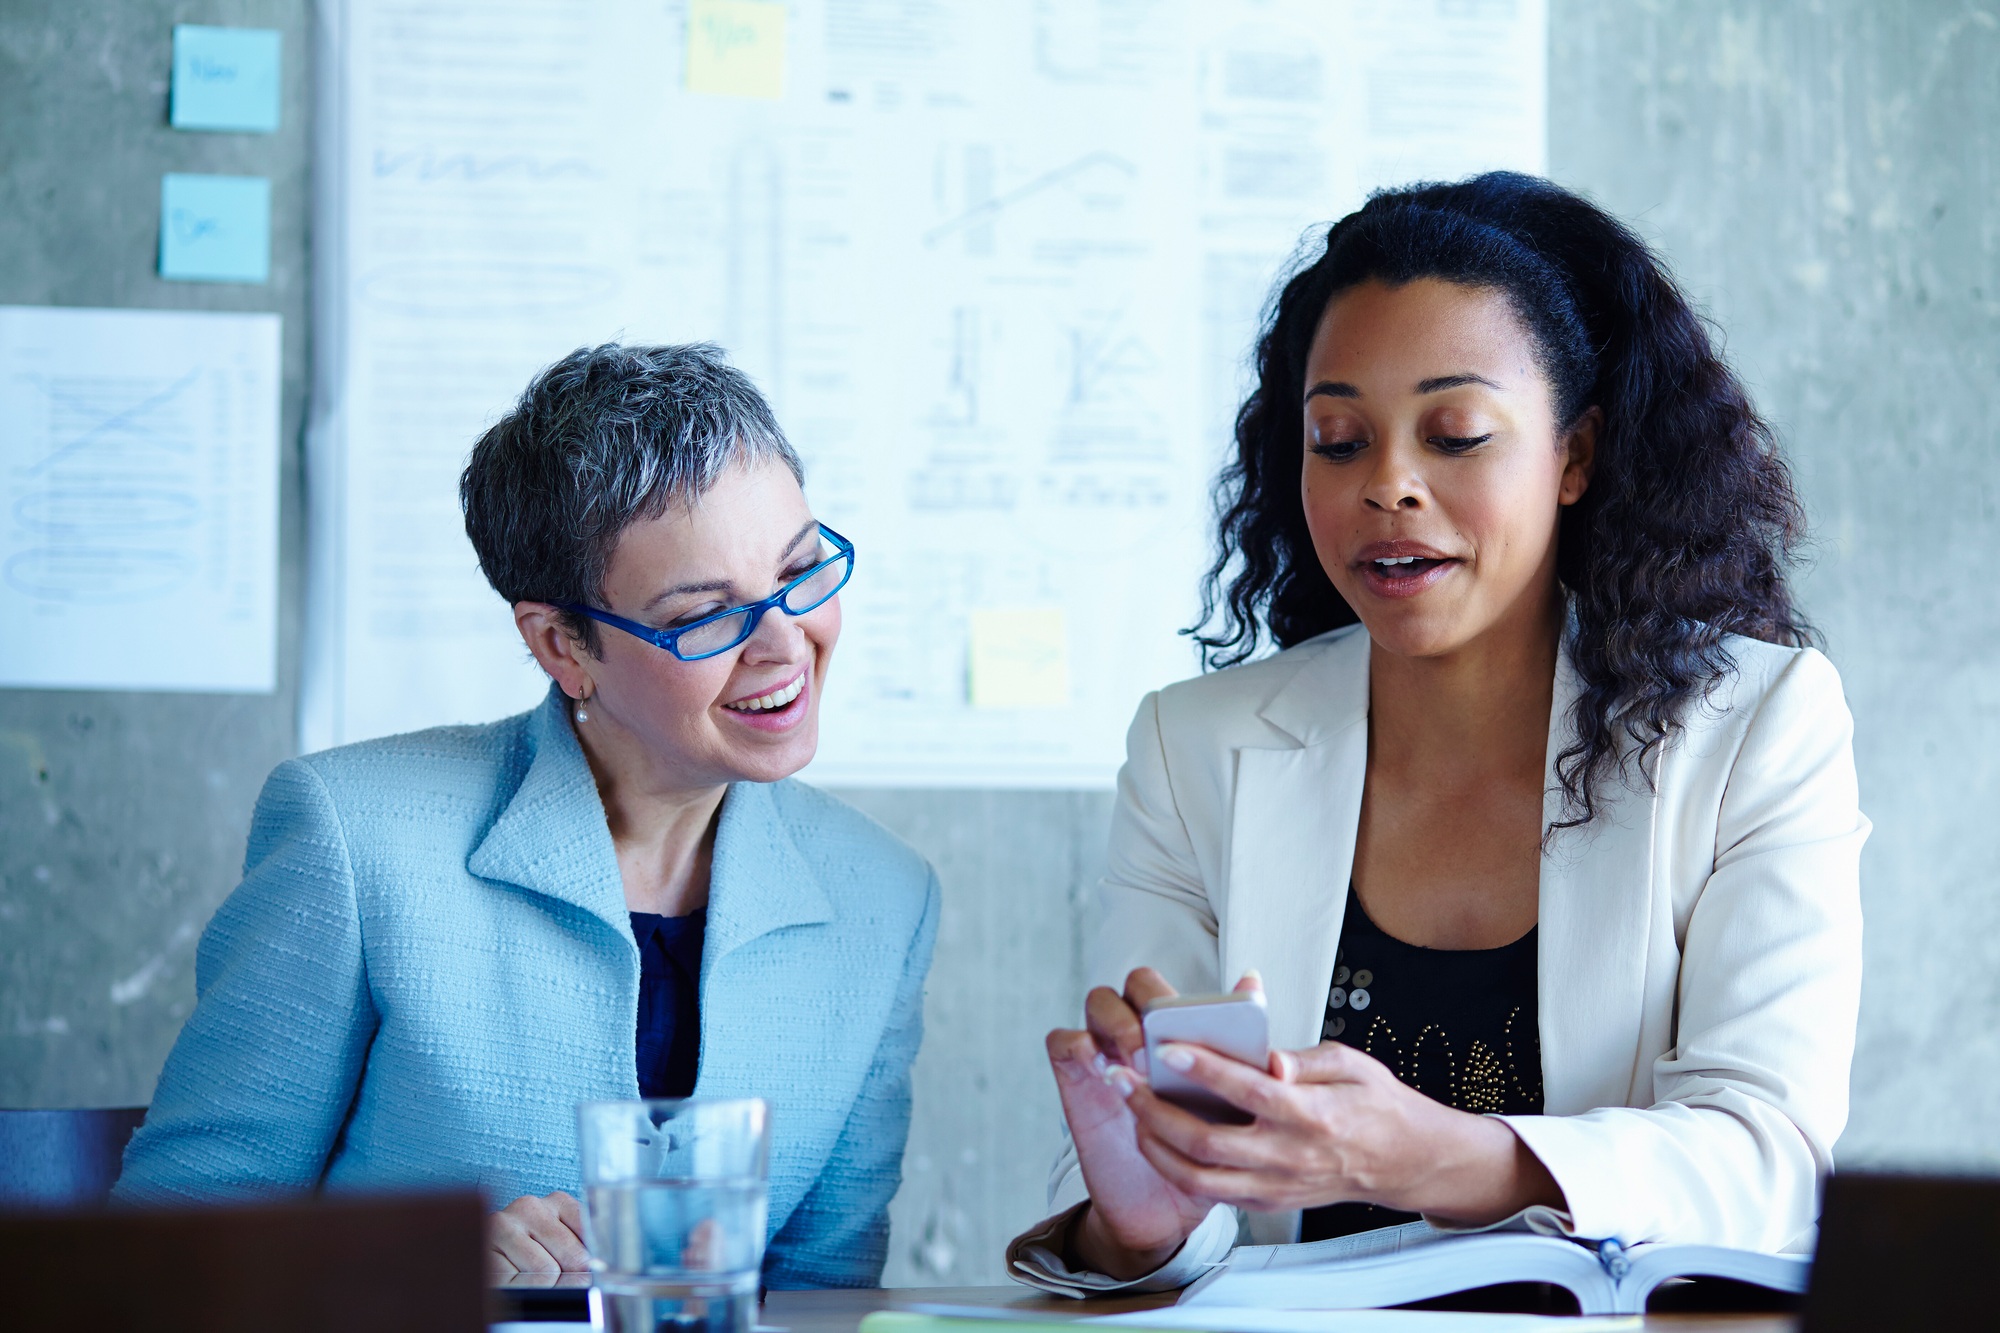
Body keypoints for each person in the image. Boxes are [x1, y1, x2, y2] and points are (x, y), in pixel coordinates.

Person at [1008, 173, 1866, 1294]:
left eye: (1455, 433)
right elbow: (1188, 1229)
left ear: (1574, 454)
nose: (1387, 485)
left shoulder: (1753, 725)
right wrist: (1143, 1219)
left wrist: (1431, 1154)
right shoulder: (1193, 748)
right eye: (1336, 439)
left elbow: (1769, 1159)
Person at [115, 344, 941, 1289]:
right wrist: (429, 1271)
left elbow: (823, 1295)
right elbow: (160, 1255)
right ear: (563, 645)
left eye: (801, 571)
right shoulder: (356, 839)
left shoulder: (884, 897)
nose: (785, 642)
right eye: (707, 614)